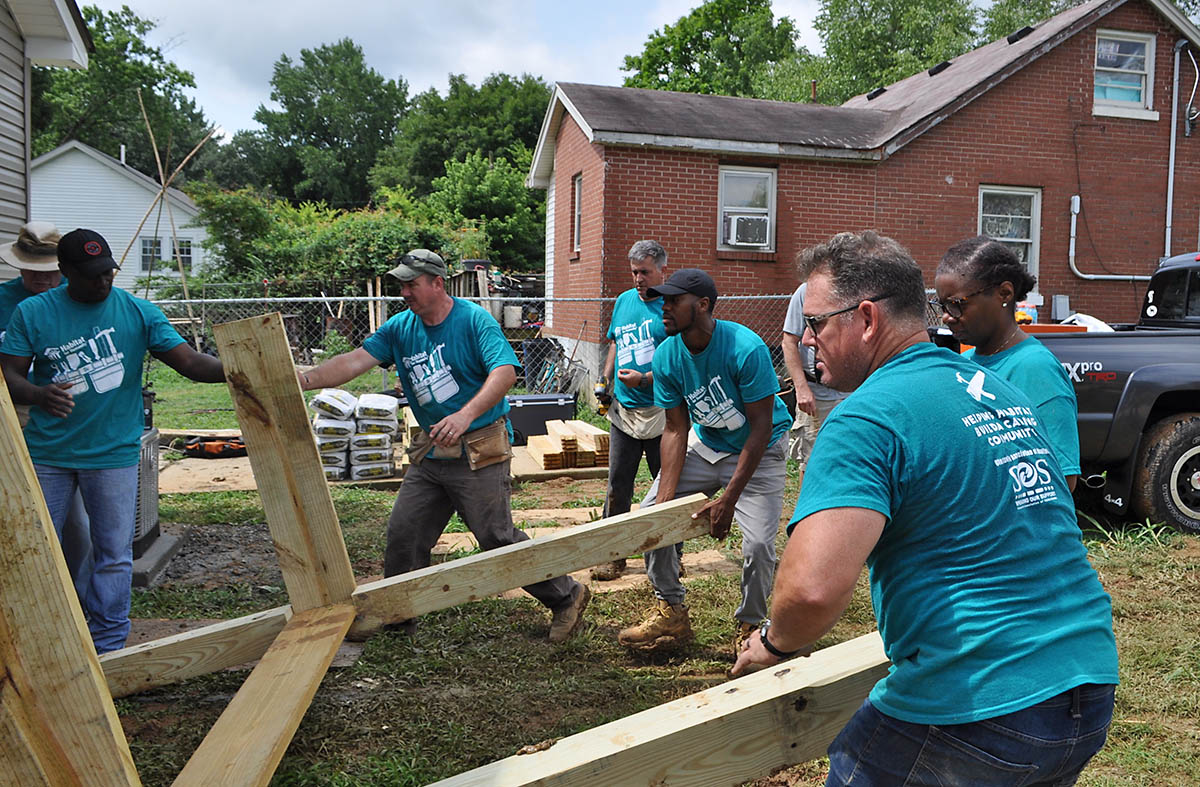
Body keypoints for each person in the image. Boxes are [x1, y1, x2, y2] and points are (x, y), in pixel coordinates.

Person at [732, 231, 1118, 785]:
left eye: (816, 323)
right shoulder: (993, 388)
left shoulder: (867, 419)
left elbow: (811, 590)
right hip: (1086, 684)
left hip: (981, 701)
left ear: (865, 319)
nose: (808, 340)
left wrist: (773, 642)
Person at [298, 249, 590, 642]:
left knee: (496, 538)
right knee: (406, 534)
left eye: (411, 284)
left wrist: (464, 415)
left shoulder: (473, 321)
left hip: (479, 450)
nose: (404, 292)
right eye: (401, 285)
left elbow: (505, 372)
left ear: (437, 283)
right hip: (432, 453)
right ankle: (398, 615)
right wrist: (308, 378)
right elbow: (354, 361)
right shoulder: (401, 328)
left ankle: (567, 597)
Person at [0, 228, 226, 654]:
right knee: (36, 547)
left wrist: (243, 364)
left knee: (113, 552)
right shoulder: (33, 312)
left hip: (113, 454)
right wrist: (36, 393)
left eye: (108, 272)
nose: (102, 281)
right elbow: (9, 375)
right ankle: (43, 638)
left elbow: (192, 364)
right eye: (90, 275)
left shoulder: (138, 312)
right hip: (49, 452)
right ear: (65, 272)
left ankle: (108, 644)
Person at [617, 268, 791, 657]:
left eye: (673, 301)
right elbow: (676, 429)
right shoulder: (666, 355)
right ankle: (672, 609)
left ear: (703, 305)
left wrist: (729, 499)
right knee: (652, 518)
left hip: (759, 452)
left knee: (759, 545)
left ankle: (750, 625)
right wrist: (664, 500)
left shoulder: (744, 349)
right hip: (706, 445)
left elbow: (760, 429)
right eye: (663, 300)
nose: (664, 308)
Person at [934, 235, 1080, 490]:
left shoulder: (1035, 368)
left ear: (1004, 294)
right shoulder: (962, 364)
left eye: (956, 305)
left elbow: (1063, 478)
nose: (947, 317)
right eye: (941, 305)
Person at [590, 240, 669, 581]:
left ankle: (668, 557)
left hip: (662, 413)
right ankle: (613, 555)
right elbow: (616, 343)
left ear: (661, 270)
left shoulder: (671, 306)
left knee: (665, 488)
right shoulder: (623, 301)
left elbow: (679, 360)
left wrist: (645, 379)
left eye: (646, 272)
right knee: (617, 486)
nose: (639, 279)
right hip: (623, 411)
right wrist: (604, 381)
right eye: (635, 272)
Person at [781, 281, 848, 472]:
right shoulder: (807, 291)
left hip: (855, 392)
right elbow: (789, 342)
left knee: (851, 457)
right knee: (811, 462)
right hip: (816, 395)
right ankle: (807, 503)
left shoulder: (864, 287)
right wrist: (802, 388)